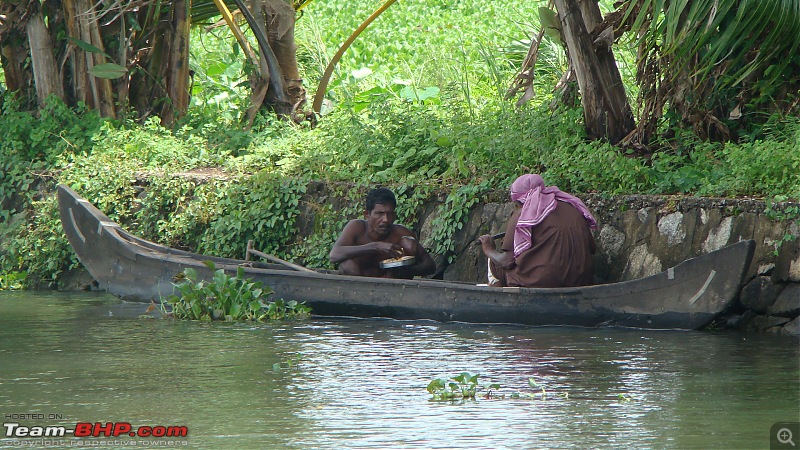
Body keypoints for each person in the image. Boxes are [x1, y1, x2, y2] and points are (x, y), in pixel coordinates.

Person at [478, 174, 597, 288]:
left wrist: (488, 249)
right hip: (582, 281)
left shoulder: (523, 215)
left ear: (519, 201)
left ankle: (501, 302)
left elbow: (506, 261)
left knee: (494, 264)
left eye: (516, 204)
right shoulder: (574, 208)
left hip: (539, 283)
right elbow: (592, 249)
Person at [330, 187, 436, 279]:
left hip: (390, 286)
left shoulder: (400, 233)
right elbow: (334, 255)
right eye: (379, 214)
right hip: (359, 285)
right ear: (367, 215)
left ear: (394, 215)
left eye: (389, 214)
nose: (385, 219)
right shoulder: (356, 227)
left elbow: (430, 265)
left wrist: (408, 271)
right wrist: (375, 246)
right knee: (347, 265)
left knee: (409, 243)